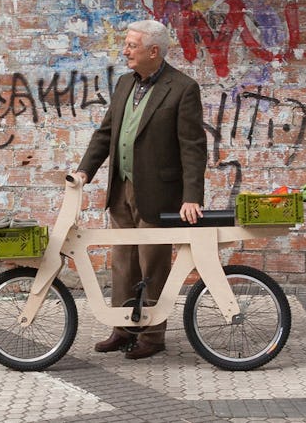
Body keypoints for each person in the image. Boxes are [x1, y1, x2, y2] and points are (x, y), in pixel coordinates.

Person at [75, 19, 207, 360]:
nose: (125, 50)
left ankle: (152, 334)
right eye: (126, 44)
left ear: (154, 51)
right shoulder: (124, 84)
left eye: (132, 45)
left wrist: (191, 197)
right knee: (123, 261)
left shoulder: (182, 88)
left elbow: (193, 147)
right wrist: (84, 171)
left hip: (158, 194)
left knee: (153, 264)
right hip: (122, 188)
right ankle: (123, 328)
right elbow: (105, 134)